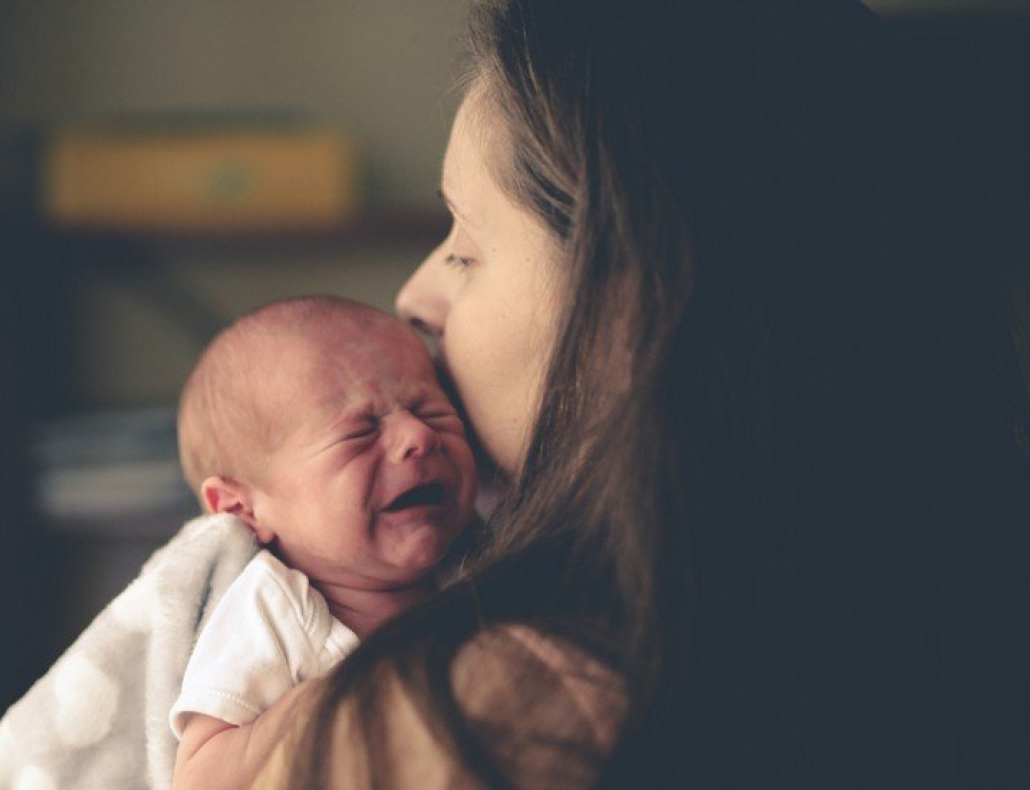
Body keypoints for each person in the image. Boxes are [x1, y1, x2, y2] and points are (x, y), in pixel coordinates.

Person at [246, 1, 1030, 787]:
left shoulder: (478, 720)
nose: (412, 298)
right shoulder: (952, 618)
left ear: (633, 307)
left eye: (466, 250)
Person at [170, 296, 478, 789]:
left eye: (431, 409)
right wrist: (332, 698)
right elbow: (201, 779)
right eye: (360, 431)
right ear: (242, 509)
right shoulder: (273, 610)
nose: (417, 435)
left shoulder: (483, 563)